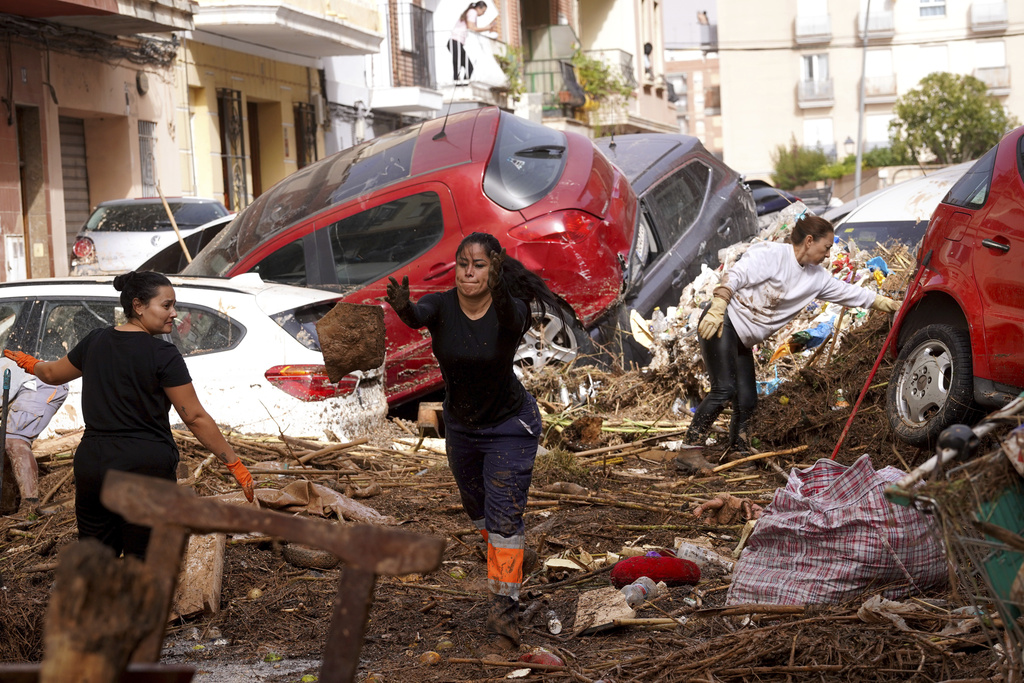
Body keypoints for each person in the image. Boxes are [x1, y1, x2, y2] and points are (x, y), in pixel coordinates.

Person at [385, 232, 558, 652]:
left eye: (479, 265)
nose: (468, 272)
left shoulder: (511, 310)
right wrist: (405, 307)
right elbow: (418, 314)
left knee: (501, 521)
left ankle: (504, 622)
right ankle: (514, 559)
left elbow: (509, 314)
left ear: (494, 269)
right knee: (478, 514)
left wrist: (498, 285)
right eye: (463, 263)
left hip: (509, 427)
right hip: (462, 428)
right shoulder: (443, 305)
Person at [3, 271, 254, 558]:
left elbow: (51, 374)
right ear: (138, 306)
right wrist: (234, 464)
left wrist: (30, 363)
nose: (174, 313)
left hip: (94, 465)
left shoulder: (94, 341)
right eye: (167, 305)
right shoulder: (163, 354)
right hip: (144, 468)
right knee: (144, 560)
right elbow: (194, 417)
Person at [675, 214, 901, 474]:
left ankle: (738, 451)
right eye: (826, 247)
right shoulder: (772, 255)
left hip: (743, 338)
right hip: (722, 321)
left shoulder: (817, 277)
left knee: (747, 399)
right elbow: (735, 275)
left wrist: (885, 303)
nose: (828, 255)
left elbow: (850, 292)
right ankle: (689, 452)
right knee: (724, 389)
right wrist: (718, 304)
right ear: (808, 241)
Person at [0, 358, 69, 516]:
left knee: (14, 439)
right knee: (4, 443)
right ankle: (7, 508)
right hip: (23, 386)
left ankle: (30, 505)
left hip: (43, 383)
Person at [448, 1, 496, 83]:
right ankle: (461, 83)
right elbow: (471, 28)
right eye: (483, 11)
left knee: (461, 64)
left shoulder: (470, 12)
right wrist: (487, 28)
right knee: (466, 66)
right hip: (455, 41)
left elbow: (473, 29)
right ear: (478, 8)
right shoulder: (472, 12)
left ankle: (460, 81)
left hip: (456, 42)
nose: (483, 14)